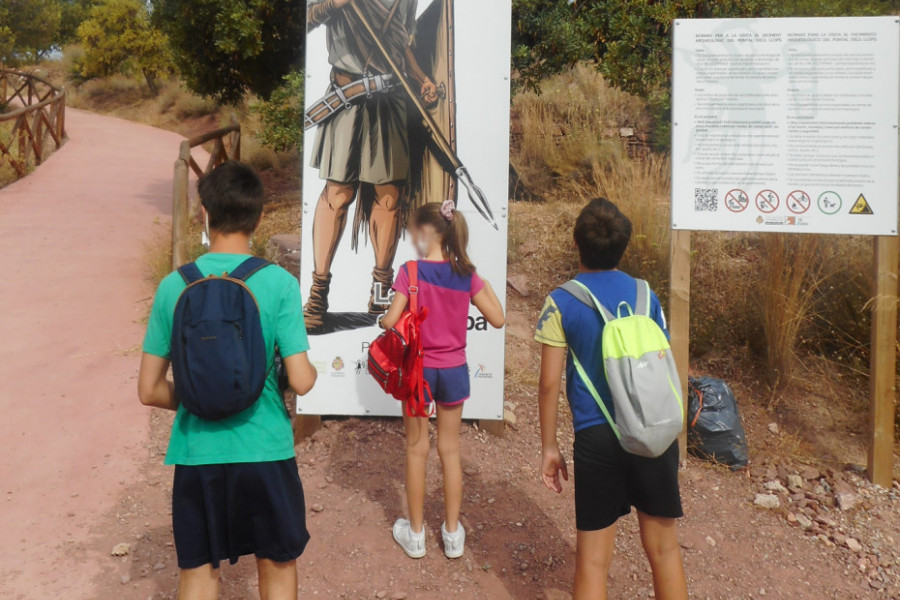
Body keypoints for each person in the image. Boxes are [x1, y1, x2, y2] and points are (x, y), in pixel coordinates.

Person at [137, 161, 318, 600]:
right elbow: (302, 379)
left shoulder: (173, 286)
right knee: (277, 564)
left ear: (204, 212)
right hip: (265, 449)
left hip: (197, 454)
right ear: (258, 218)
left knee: (198, 574)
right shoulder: (277, 283)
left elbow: (149, 390)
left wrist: (201, 395)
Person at [534, 198, 688, 600]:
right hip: (653, 430)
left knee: (593, 562)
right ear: (624, 245)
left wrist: (549, 446)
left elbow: (549, 382)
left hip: (596, 437)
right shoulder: (645, 295)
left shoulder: (561, 301)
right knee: (664, 550)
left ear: (576, 244)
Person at [379, 200, 504, 559]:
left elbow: (390, 321)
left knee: (416, 450)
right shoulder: (466, 274)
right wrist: (479, 278)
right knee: (450, 450)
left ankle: (415, 535)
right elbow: (497, 318)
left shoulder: (411, 271)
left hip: (418, 372)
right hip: (453, 370)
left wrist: (386, 322)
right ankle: (452, 535)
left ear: (424, 233)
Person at [304, 0, 440, 329]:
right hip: (346, 98)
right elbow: (307, 18)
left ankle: (381, 290)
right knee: (337, 195)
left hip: (388, 99)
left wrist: (422, 78)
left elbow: (400, 44)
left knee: (389, 198)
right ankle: (317, 294)